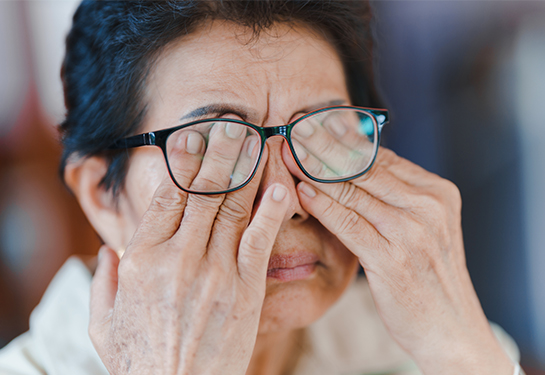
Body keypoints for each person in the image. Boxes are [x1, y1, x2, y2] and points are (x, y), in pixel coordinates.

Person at [0, 1, 523, 374]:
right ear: (103, 195)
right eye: (214, 148)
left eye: (322, 135)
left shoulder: (427, 342)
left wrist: (462, 352)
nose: (286, 199)